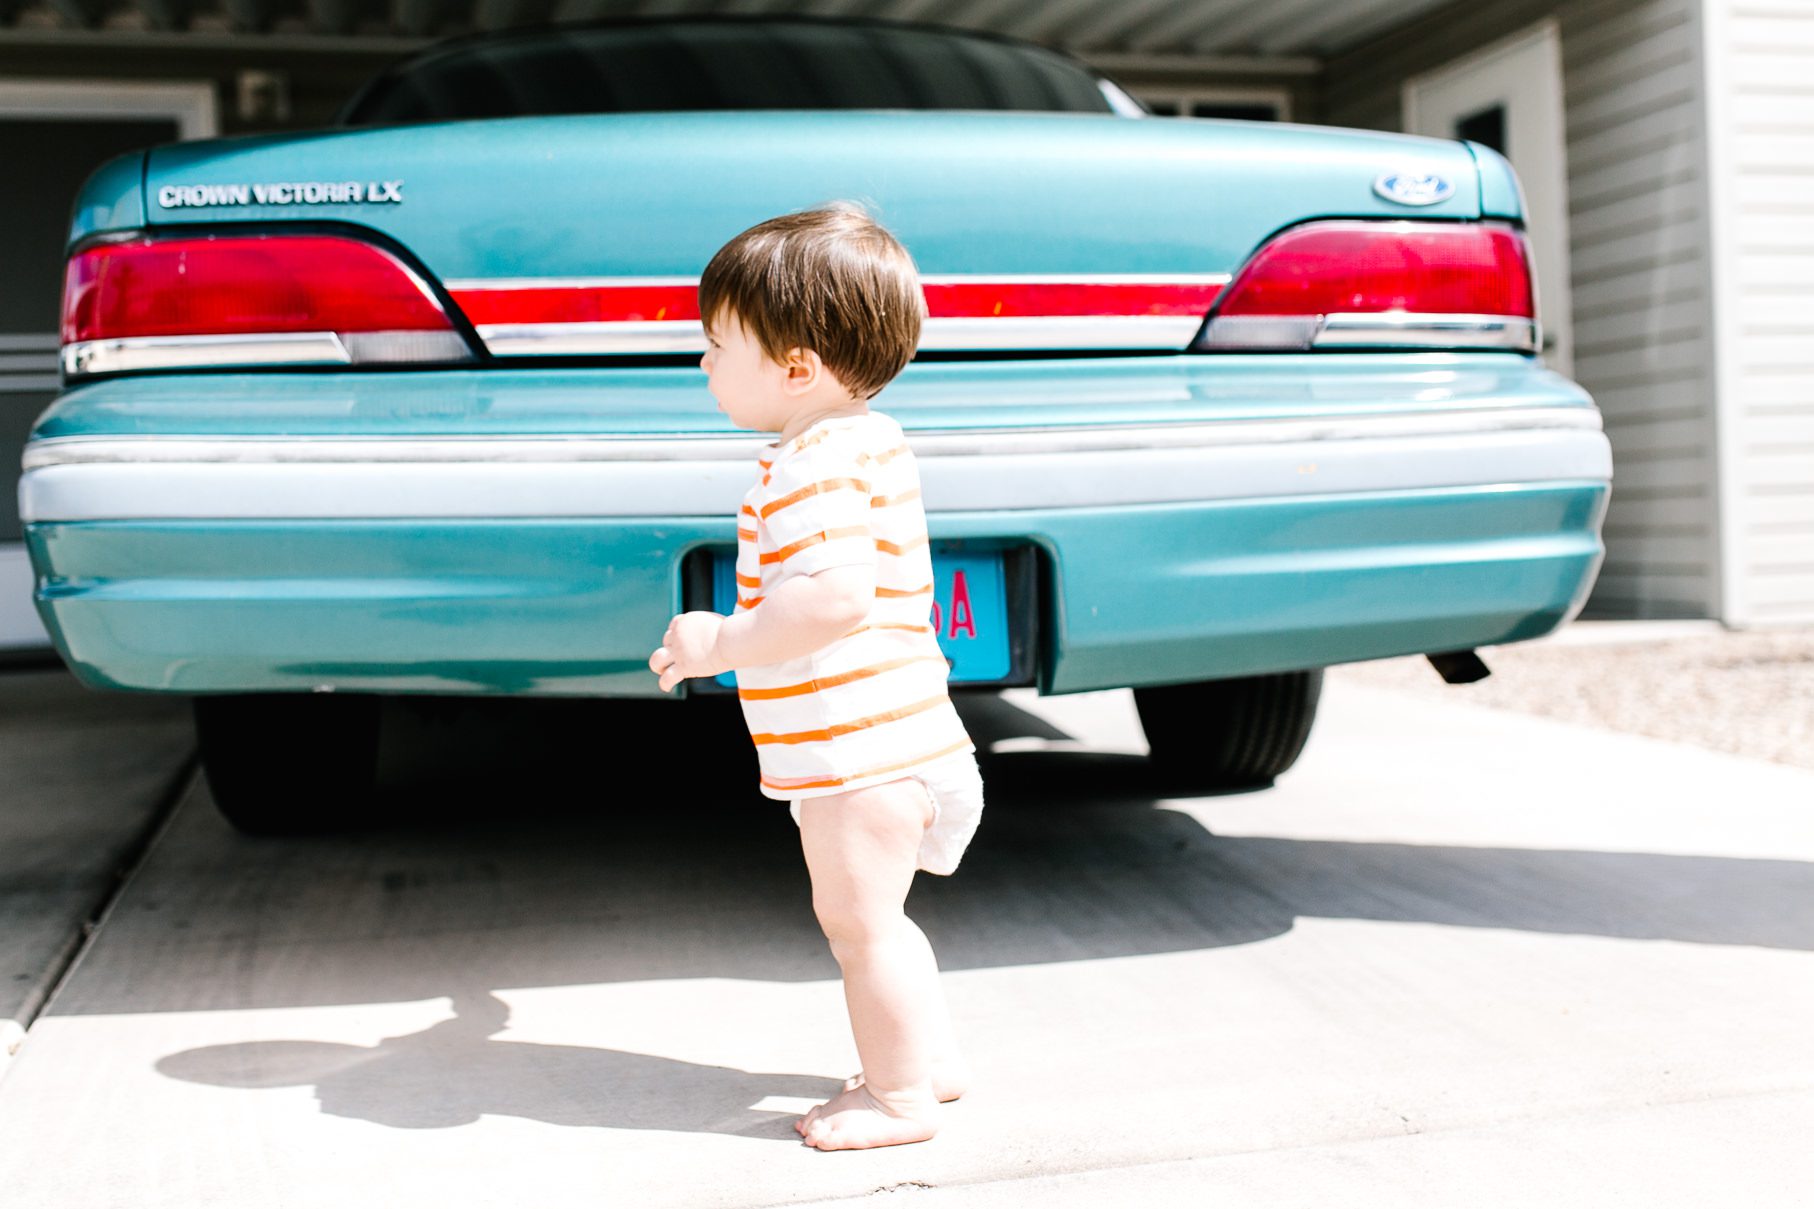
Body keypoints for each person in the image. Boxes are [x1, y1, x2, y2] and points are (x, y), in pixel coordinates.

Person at [648, 202, 984, 1151]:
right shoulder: (868, 439)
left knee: (861, 928)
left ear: (795, 367)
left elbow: (833, 596)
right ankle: (928, 1058)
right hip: (904, 737)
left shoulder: (807, 467)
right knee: (886, 921)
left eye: (716, 345)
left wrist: (719, 640)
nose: (703, 364)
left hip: (860, 756)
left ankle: (898, 1098)